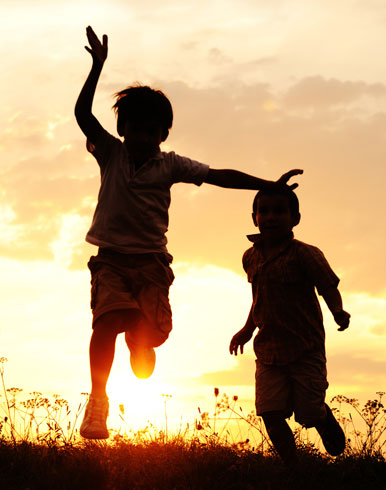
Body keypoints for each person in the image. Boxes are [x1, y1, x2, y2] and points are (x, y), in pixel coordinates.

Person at [74, 26, 302, 440]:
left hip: (151, 266)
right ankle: (98, 400)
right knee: (106, 322)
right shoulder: (111, 153)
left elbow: (219, 176)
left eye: (151, 131)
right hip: (109, 259)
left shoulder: (171, 165)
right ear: (123, 130)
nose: (142, 138)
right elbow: (83, 117)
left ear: (163, 134)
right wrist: (96, 68)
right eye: (134, 130)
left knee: (148, 340)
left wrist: (268, 185)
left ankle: (141, 342)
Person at [229, 186, 351, 465]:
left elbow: (328, 285)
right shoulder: (251, 256)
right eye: (265, 211)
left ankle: (322, 417)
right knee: (269, 411)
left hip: (304, 348)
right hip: (269, 350)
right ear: (254, 217)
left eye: (280, 211)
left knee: (307, 411)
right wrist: (247, 329)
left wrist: (337, 310)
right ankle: (292, 467)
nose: (271, 217)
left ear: (295, 218)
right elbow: (258, 297)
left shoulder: (305, 254)